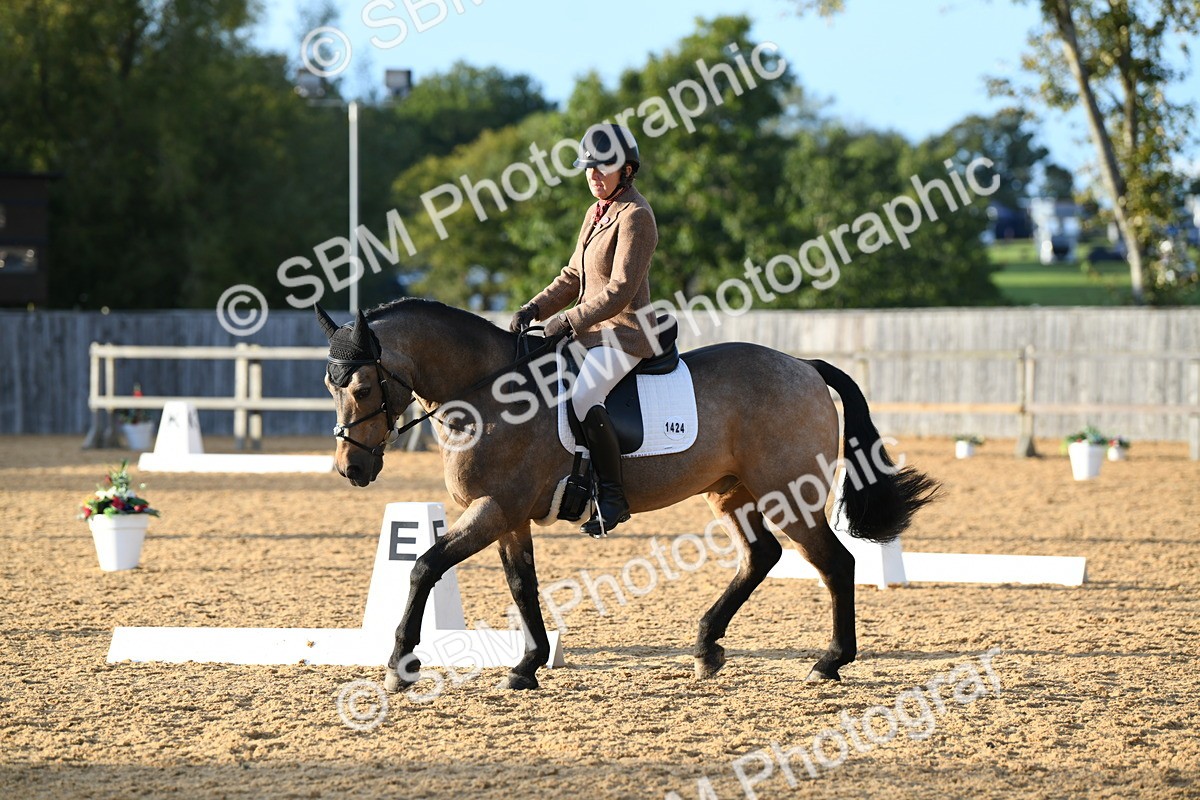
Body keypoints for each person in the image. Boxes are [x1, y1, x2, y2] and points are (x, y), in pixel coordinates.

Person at [509, 123, 659, 537]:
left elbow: (619, 290)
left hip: (625, 333)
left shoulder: (636, 216)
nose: (594, 176)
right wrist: (535, 307)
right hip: (589, 334)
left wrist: (566, 321)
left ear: (626, 170)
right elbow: (573, 276)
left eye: (603, 168)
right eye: (588, 169)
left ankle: (613, 497)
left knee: (584, 395)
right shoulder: (596, 213)